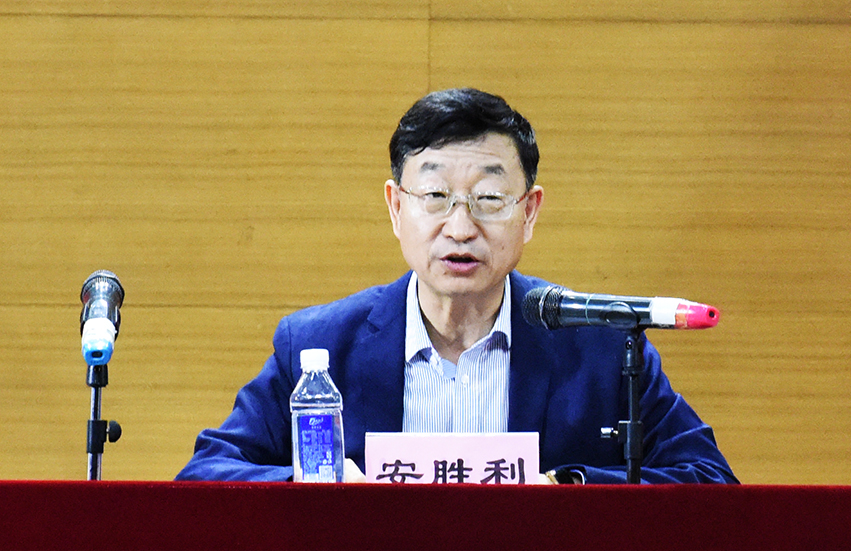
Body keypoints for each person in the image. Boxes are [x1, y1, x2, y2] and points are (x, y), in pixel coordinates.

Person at [176, 88, 738, 484]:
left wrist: (568, 487)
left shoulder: (601, 347)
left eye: (489, 199)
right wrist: (319, 485)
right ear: (396, 208)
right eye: (435, 197)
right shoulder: (318, 346)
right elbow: (206, 475)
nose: (461, 227)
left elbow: (709, 480)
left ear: (529, 212)